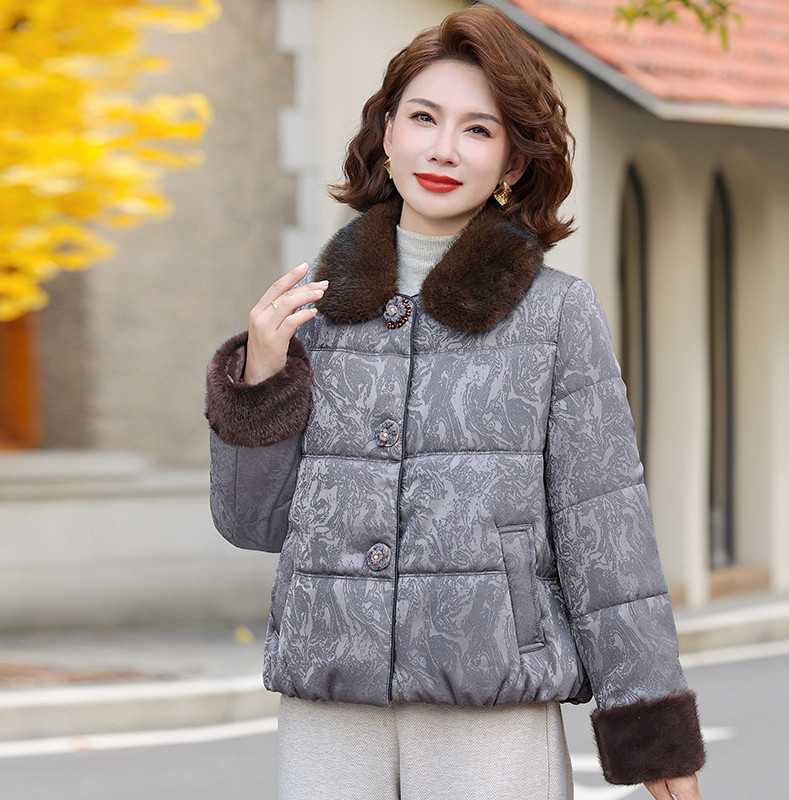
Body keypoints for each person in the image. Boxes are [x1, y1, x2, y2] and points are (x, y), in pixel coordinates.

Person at [205, 5, 705, 799]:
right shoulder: (311, 313)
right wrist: (260, 382)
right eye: (423, 118)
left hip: (490, 703)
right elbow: (252, 524)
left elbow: (607, 533)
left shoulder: (556, 315)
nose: (443, 148)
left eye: (479, 129)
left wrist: (651, 734)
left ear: (512, 161)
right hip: (331, 704)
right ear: (387, 134)